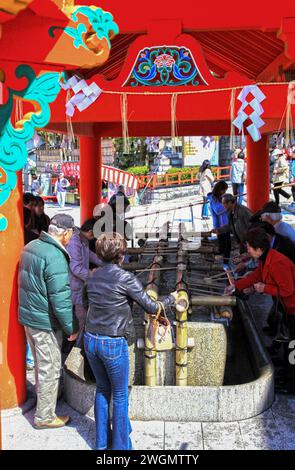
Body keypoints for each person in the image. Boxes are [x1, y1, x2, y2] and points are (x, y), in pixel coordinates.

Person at [83, 232, 177, 450]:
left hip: (90, 339)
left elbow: (85, 303)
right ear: (121, 256)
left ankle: (101, 444)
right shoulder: (126, 278)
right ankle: (120, 449)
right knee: (120, 395)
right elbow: (152, 307)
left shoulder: (92, 276)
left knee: (102, 390)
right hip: (112, 343)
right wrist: (171, 298)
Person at [18, 214, 78, 429]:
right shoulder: (55, 256)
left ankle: (47, 399)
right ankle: (44, 416)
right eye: (71, 233)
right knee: (50, 368)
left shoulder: (31, 246)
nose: (71, 238)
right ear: (66, 233)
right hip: (45, 322)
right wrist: (72, 327)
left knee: (40, 364)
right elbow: (60, 299)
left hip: (30, 317)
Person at [225, 228, 295, 394]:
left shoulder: (278, 262)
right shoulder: (266, 258)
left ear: (258, 249)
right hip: (287, 308)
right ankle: (285, 376)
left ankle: (292, 385)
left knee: (293, 346)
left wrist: (265, 288)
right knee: (287, 344)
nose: (247, 251)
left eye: (249, 247)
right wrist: (235, 287)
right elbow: (256, 276)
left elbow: (288, 290)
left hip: (293, 308)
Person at [66, 218, 102, 331]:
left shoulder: (83, 238)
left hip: (81, 282)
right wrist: (92, 275)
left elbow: (89, 254)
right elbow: (75, 268)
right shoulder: (74, 241)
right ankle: (79, 341)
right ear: (90, 231)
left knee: (83, 314)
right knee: (81, 317)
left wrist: (104, 262)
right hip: (74, 283)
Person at [208, 181, 231, 264]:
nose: (224, 192)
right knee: (225, 245)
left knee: (225, 245)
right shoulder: (213, 199)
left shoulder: (220, 197)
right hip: (220, 225)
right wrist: (227, 205)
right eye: (223, 190)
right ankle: (225, 263)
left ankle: (225, 261)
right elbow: (217, 210)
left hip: (225, 224)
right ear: (219, 189)